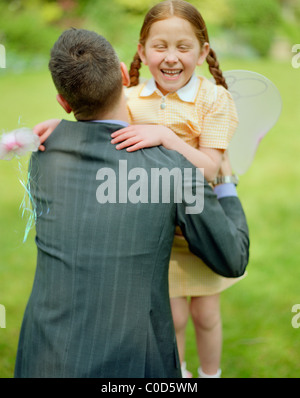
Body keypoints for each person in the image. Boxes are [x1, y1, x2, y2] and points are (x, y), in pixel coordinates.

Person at [15, 28, 249, 378]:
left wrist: (62, 128)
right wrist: (225, 183)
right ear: (125, 75)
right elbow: (233, 258)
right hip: (134, 363)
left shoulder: (45, 153)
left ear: (63, 102)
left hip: (44, 357)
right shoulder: (170, 168)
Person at [107, 0, 247, 378]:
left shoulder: (214, 99)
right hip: (156, 233)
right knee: (174, 317)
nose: (171, 58)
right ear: (142, 51)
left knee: (204, 314)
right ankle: (177, 377)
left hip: (202, 228)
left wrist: (166, 136)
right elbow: (105, 144)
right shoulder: (130, 100)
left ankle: (210, 375)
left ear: (202, 52)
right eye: (160, 46)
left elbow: (208, 168)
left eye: (183, 47)